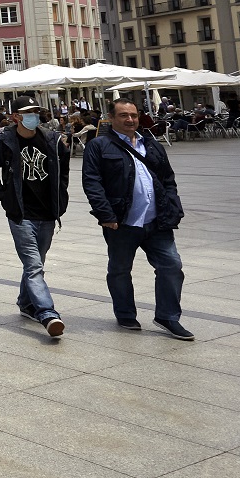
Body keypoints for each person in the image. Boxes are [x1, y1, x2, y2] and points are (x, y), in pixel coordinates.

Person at [81, 99, 192, 340]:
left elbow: (168, 179)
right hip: (122, 222)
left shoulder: (151, 144)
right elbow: (92, 183)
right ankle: (125, 313)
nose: (130, 119)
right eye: (123, 115)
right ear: (111, 118)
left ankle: (168, 316)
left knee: (171, 266)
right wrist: (105, 214)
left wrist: (173, 207)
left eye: (133, 115)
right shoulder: (99, 146)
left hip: (157, 221)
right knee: (120, 270)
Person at [0, 97, 71, 337]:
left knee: (36, 263)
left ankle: (25, 303)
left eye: (36, 111)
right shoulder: (4, 141)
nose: (34, 115)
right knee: (34, 266)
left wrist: (61, 195)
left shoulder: (52, 139)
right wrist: (4, 197)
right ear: (16, 117)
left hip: (47, 213)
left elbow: (63, 169)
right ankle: (48, 314)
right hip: (21, 214)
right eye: (28, 112)